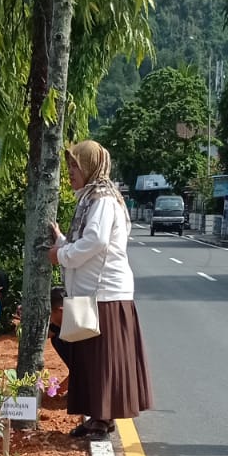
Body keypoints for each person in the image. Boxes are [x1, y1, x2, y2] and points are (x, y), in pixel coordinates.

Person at [49, 141, 153, 439]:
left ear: (90, 167)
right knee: (90, 359)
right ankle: (98, 417)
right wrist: (61, 241)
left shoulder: (103, 199)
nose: (70, 172)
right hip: (90, 293)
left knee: (102, 360)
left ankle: (103, 419)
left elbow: (96, 241)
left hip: (105, 293)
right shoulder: (90, 198)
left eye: (75, 166)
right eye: (69, 166)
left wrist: (61, 255)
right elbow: (85, 240)